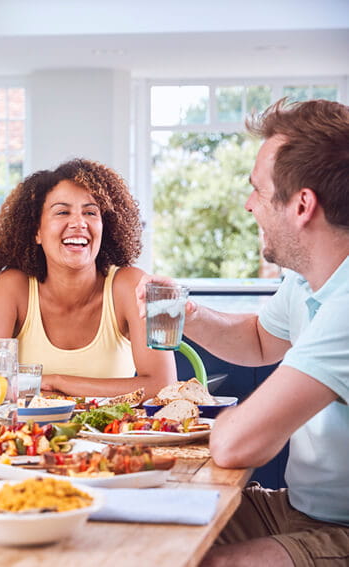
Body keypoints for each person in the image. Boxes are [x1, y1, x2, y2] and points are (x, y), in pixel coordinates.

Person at [135, 99, 349, 567]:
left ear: (302, 205)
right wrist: (186, 313)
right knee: (139, 529)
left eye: (257, 190)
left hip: (343, 531)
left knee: (208, 563)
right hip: (297, 509)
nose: (249, 204)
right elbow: (259, 341)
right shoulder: (307, 276)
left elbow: (236, 444)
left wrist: (211, 419)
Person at [0, 158, 176, 398]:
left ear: (105, 226)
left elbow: (163, 387)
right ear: (36, 231)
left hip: (113, 435)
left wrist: (57, 382)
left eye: (90, 212)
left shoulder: (130, 285)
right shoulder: (13, 286)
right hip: (27, 434)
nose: (79, 223)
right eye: (62, 212)